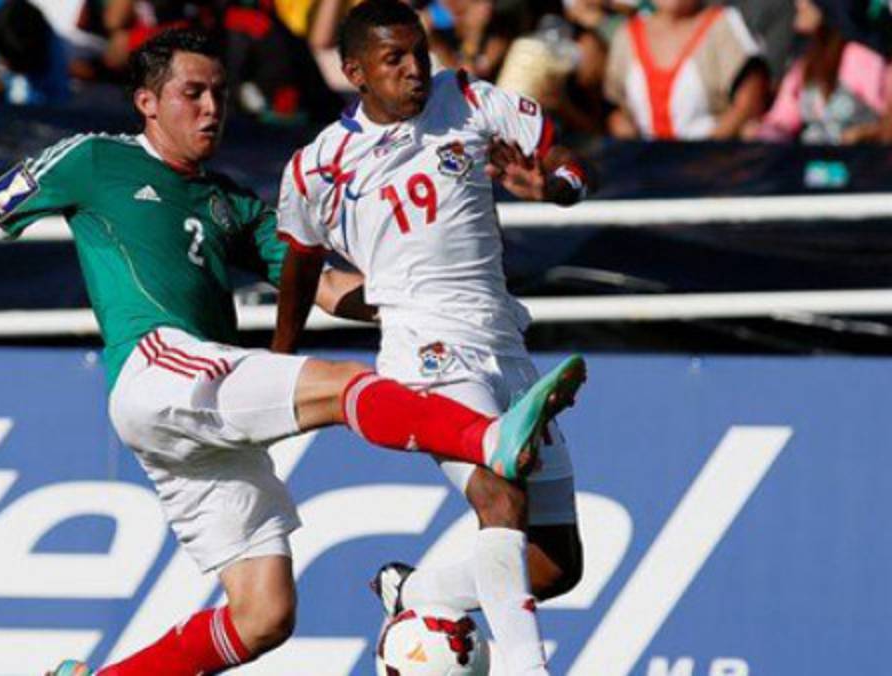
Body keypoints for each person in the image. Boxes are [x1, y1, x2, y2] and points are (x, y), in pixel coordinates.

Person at [0, 28, 585, 676]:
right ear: (147, 102)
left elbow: (328, 290)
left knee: (264, 615)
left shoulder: (231, 202)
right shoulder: (94, 160)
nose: (211, 108)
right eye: (193, 92)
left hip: (199, 421)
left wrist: (416, 295)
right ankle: (484, 436)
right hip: (156, 366)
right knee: (339, 387)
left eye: (220, 93)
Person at [272, 1, 594, 673]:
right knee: (499, 495)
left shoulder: (468, 97)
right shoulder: (319, 167)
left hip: (504, 340)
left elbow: (566, 162)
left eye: (419, 52)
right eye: (395, 60)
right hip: (426, 350)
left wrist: (555, 187)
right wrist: (278, 366)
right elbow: (299, 270)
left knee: (559, 563)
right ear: (354, 71)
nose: (415, 70)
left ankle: (415, 591)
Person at [603, 0, 768, 140]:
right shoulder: (626, 35)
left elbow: (750, 102)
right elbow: (614, 106)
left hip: (714, 163)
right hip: (644, 166)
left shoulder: (724, 24)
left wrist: (708, 147)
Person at [746, 0, 892, 145]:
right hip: (808, 162)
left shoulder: (863, 59)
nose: (798, 3)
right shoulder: (806, 63)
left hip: (858, 163)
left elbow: (887, 123)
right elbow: (782, 122)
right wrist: (762, 132)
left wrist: (869, 133)